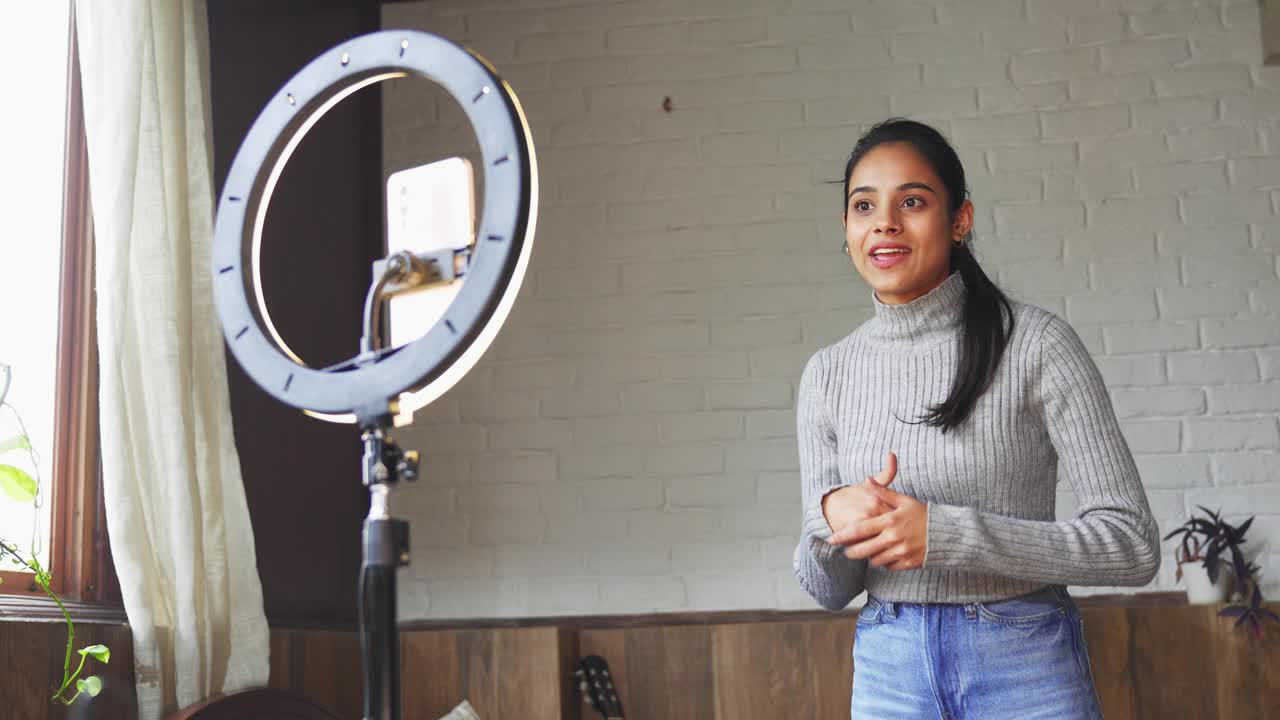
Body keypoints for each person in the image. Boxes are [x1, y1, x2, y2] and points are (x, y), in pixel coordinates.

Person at [793, 118, 1160, 719]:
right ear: (847, 229)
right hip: (889, 669)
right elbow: (828, 588)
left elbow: (1131, 545)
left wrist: (945, 535)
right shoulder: (827, 373)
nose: (885, 221)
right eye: (865, 205)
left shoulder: (1037, 345)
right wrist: (830, 514)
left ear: (960, 220)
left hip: (1024, 660)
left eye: (912, 201)